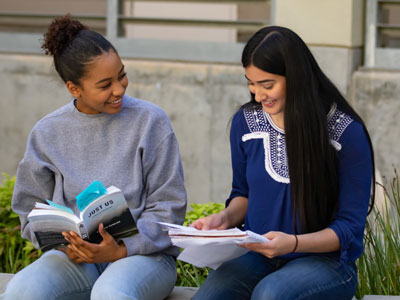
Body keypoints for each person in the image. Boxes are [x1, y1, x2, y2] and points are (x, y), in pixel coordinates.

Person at [1, 15, 187, 300]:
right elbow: (29, 208)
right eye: (105, 85)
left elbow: (169, 206)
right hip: (77, 260)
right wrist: (65, 245)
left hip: (146, 257)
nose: (119, 89)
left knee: (110, 294)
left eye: (121, 75)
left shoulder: (150, 121)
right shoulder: (47, 132)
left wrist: (122, 249)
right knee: (19, 293)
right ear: (74, 88)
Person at [191, 26, 375, 300]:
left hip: (326, 263)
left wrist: (293, 244)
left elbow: (349, 228)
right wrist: (224, 218)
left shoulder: (345, 133)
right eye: (251, 83)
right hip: (259, 255)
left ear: (296, 78)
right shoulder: (246, 123)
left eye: (267, 85)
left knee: (271, 294)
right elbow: (243, 194)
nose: (257, 95)